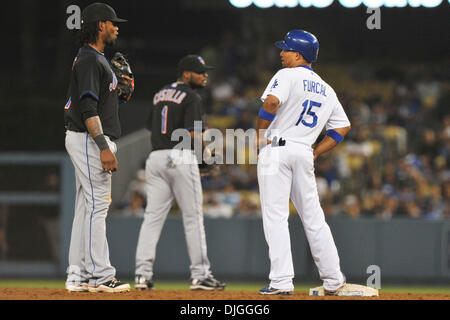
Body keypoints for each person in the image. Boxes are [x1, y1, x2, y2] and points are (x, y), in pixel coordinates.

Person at [256, 30, 351, 295]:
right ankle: (333, 280)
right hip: (303, 151)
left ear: (298, 55)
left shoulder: (286, 75)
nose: (281, 53)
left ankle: (282, 282)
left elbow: (272, 102)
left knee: (275, 217)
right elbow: (342, 127)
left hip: (277, 149)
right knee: (314, 218)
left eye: (285, 49)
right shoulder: (327, 89)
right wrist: (317, 151)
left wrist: (259, 133)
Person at [134, 55, 226, 291]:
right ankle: (200, 275)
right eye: (200, 71)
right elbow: (193, 134)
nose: (205, 75)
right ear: (186, 74)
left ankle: (142, 275)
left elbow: (149, 128)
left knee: (152, 218)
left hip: (155, 158)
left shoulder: (158, 95)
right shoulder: (191, 95)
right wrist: (204, 159)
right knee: (193, 218)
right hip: (180, 156)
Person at [63, 3, 130, 293]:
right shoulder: (91, 59)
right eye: (112, 22)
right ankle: (100, 276)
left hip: (84, 137)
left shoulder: (94, 59)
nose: (116, 27)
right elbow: (88, 107)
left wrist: (119, 92)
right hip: (90, 138)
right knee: (96, 206)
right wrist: (103, 146)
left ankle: (77, 274)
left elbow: (99, 101)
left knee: (86, 207)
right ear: (100, 25)